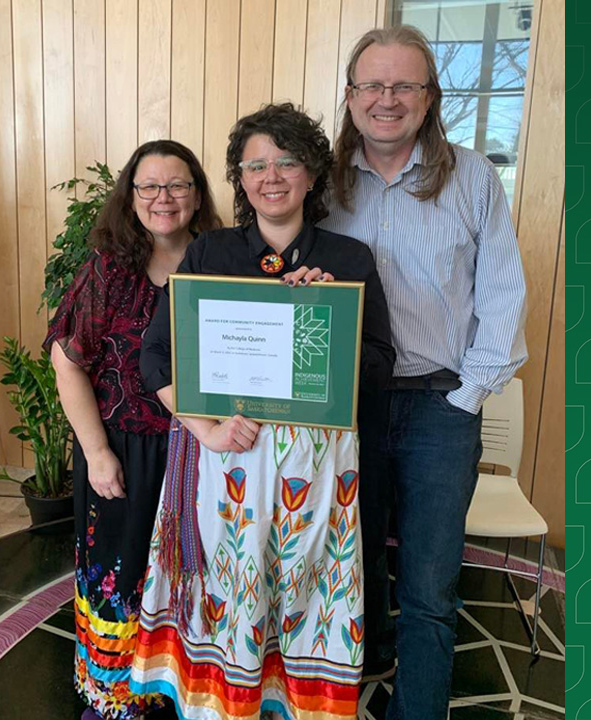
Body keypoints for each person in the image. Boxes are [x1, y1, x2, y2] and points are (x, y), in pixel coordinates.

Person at [129, 103, 395, 720]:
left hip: (317, 473)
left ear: (311, 174)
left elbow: (379, 366)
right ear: (240, 179)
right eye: (255, 165)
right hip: (228, 460)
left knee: (305, 595)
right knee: (232, 594)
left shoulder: (349, 261)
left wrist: (327, 317)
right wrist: (208, 431)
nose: (270, 176)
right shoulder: (209, 255)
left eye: (286, 162)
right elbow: (157, 357)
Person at [319, 25, 528, 720]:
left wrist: (469, 398)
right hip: (348, 403)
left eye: (404, 85)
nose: (387, 99)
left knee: (430, 586)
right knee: (354, 561)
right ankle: (369, 653)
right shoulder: (319, 182)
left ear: (430, 96)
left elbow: (502, 294)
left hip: (441, 406)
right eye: (372, 86)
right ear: (349, 97)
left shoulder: (472, 179)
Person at [44, 139, 223, 720]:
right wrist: (96, 453)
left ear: (197, 196)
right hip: (121, 449)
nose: (163, 198)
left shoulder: (222, 261)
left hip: (202, 451)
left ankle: (185, 689)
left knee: (194, 576)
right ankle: (115, 692)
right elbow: (67, 361)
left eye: (177, 186)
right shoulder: (109, 270)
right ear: (131, 195)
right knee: (120, 574)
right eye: (149, 186)